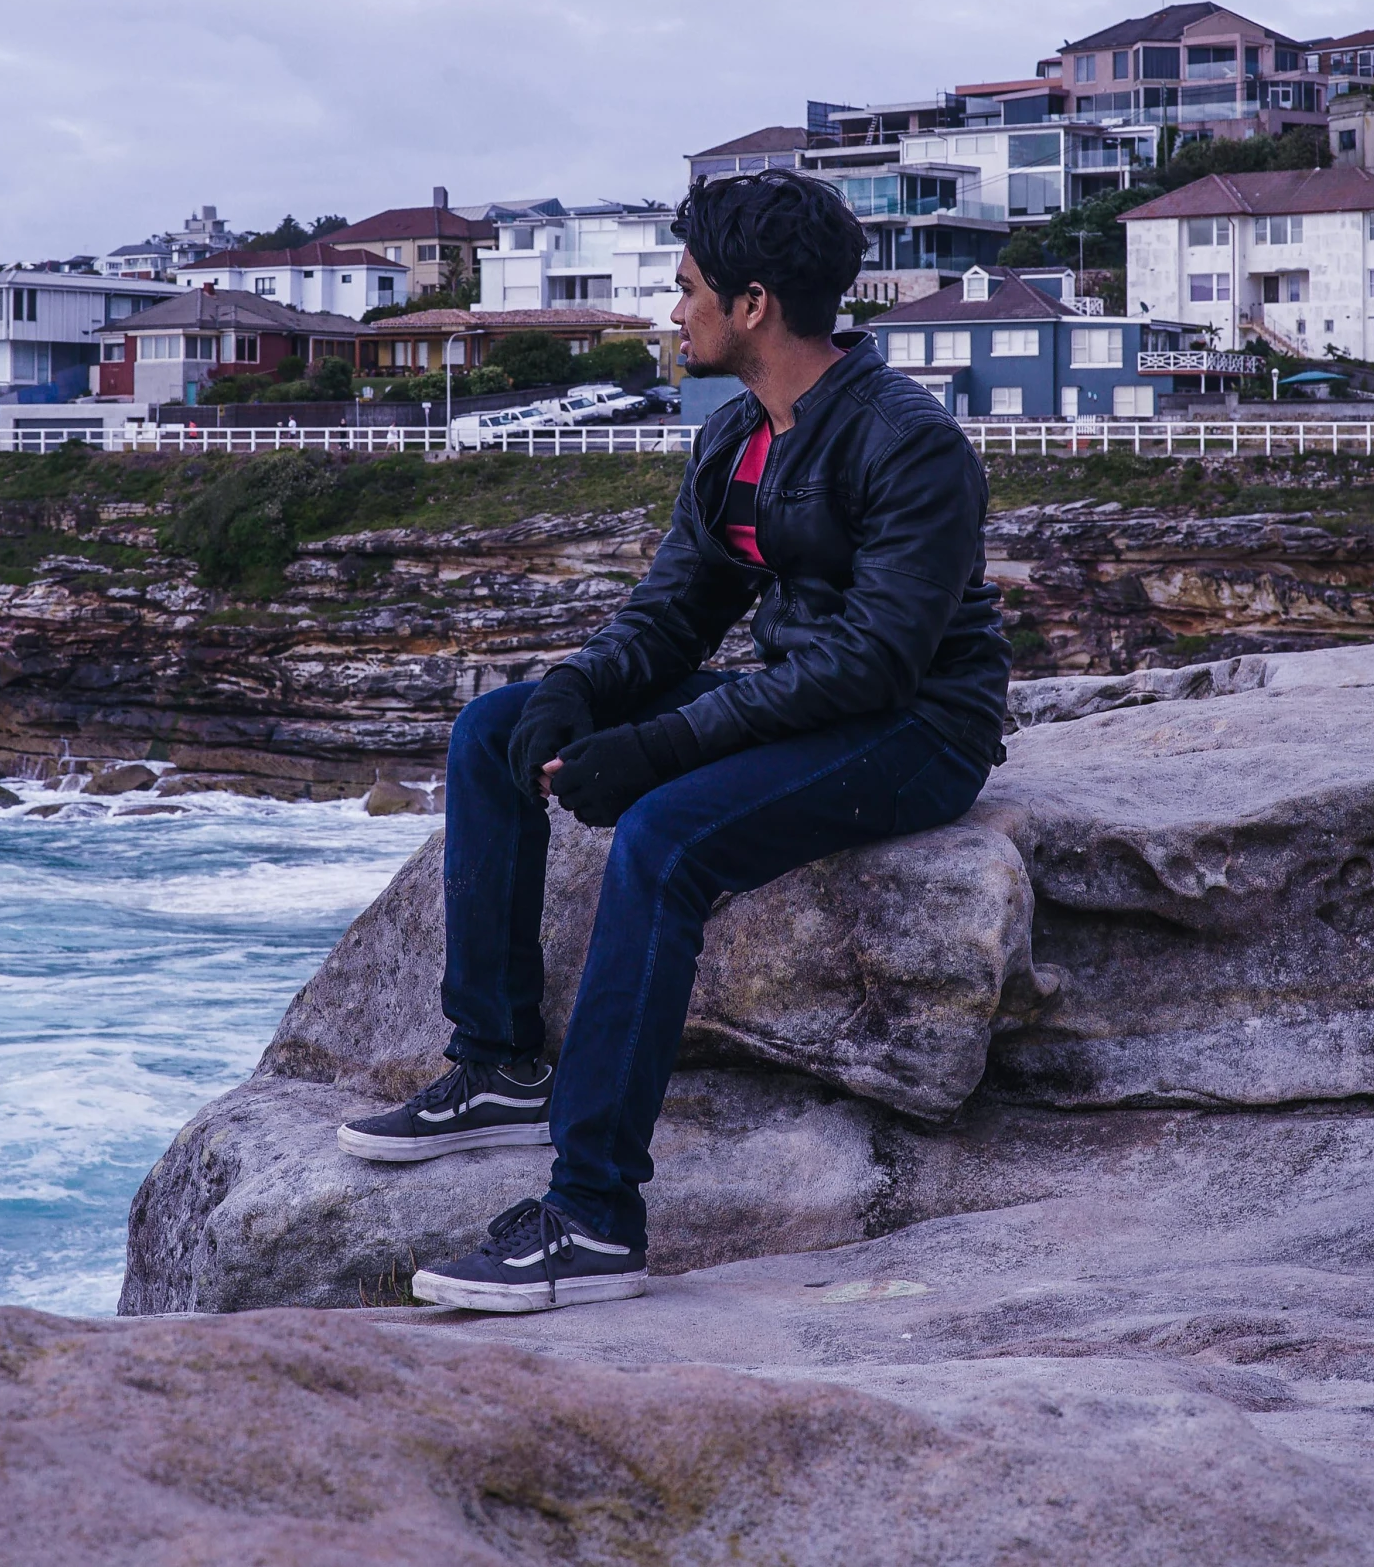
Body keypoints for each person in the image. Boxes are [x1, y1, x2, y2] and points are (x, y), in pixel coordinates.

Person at [337, 169, 1011, 1312]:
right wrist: (575, 691)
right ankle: (501, 1064)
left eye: (687, 285)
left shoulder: (910, 445)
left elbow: (872, 663)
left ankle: (594, 1216)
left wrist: (664, 750)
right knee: (494, 725)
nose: (673, 309)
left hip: (916, 729)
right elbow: (672, 613)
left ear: (754, 304)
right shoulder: (740, 438)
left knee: (664, 839)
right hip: (810, 700)